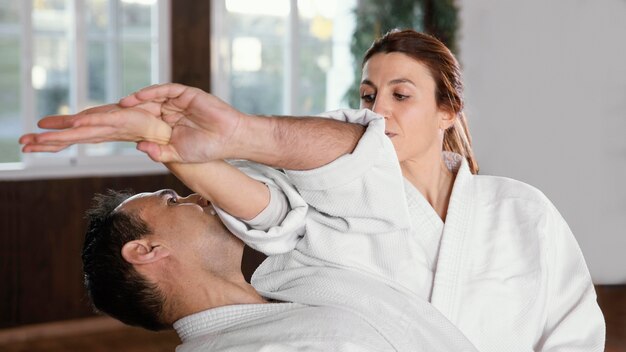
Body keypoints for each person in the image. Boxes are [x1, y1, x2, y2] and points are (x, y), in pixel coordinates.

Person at [20, 29, 605, 352]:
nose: (379, 113)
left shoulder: (521, 210)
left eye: (402, 95)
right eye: (369, 96)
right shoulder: (326, 207)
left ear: (448, 110)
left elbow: (575, 328)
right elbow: (271, 206)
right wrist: (181, 151)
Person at [78, 117, 479, 351]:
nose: (199, 196)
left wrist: (238, 131)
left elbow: (358, 161)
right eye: (173, 200)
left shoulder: (298, 272)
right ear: (146, 250)